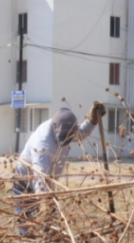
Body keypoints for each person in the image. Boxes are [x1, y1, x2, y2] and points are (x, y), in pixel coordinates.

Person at [13, 101, 106, 236]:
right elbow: (40, 177)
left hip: (47, 188)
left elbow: (80, 134)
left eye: (69, 138)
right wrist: (45, 203)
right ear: (55, 130)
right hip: (25, 182)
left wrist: (92, 120)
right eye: (63, 139)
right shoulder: (43, 144)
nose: (66, 142)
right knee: (26, 226)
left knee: (50, 229)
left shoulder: (67, 128)